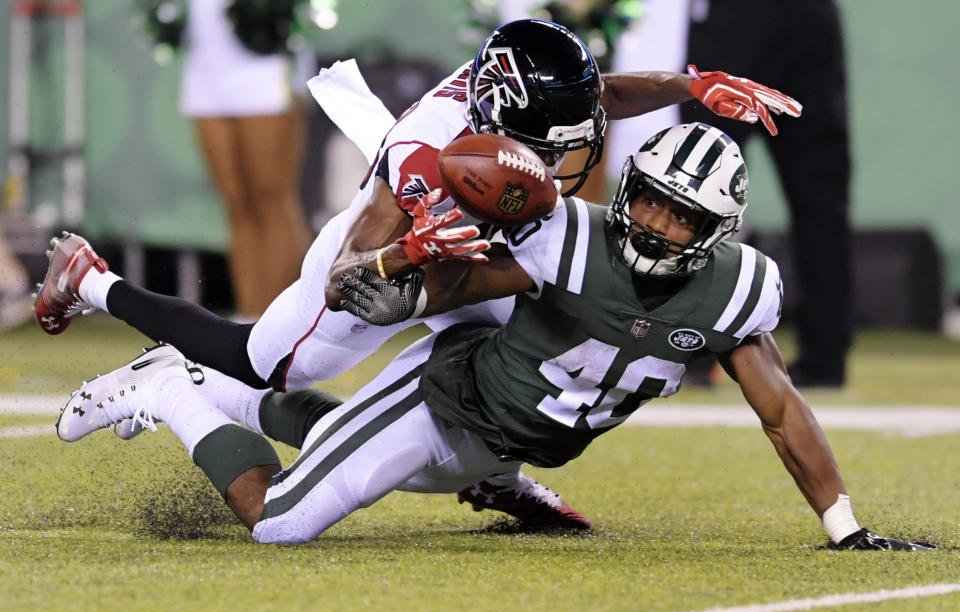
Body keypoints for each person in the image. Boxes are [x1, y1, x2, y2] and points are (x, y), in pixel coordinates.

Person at [34, 19, 800, 529]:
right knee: (260, 364)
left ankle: (497, 476)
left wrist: (692, 87)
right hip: (391, 261)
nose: (573, 154)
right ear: (500, 121)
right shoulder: (419, 160)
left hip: (477, 262)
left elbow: (601, 95)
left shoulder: (518, 100)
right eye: (550, 143)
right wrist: (410, 249)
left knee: (534, 349)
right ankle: (96, 282)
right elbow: (346, 280)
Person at [55, 123, 928, 549]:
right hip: (452, 402)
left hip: (501, 444)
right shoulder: (571, 236)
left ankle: (215, 390)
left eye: (679, 212)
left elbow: (781, 411)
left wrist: (845, 528)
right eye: (649, 197)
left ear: (721, 229)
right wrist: (396, 271)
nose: (654, 221)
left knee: (331, 437)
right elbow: (459, 286)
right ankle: (172, 385)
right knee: (280, 520)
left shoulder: (737, 295)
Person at [680, 0, 852, 387]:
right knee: (821, 199)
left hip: (735, 20)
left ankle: (684, 347)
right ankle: (826, 358)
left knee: (698, 179)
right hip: (813, 18)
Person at [178, 0, 313, 318]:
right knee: (236, 202)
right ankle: (247, 319)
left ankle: (277, 323)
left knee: (270, 197)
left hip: (266, 60)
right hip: (206, 59)